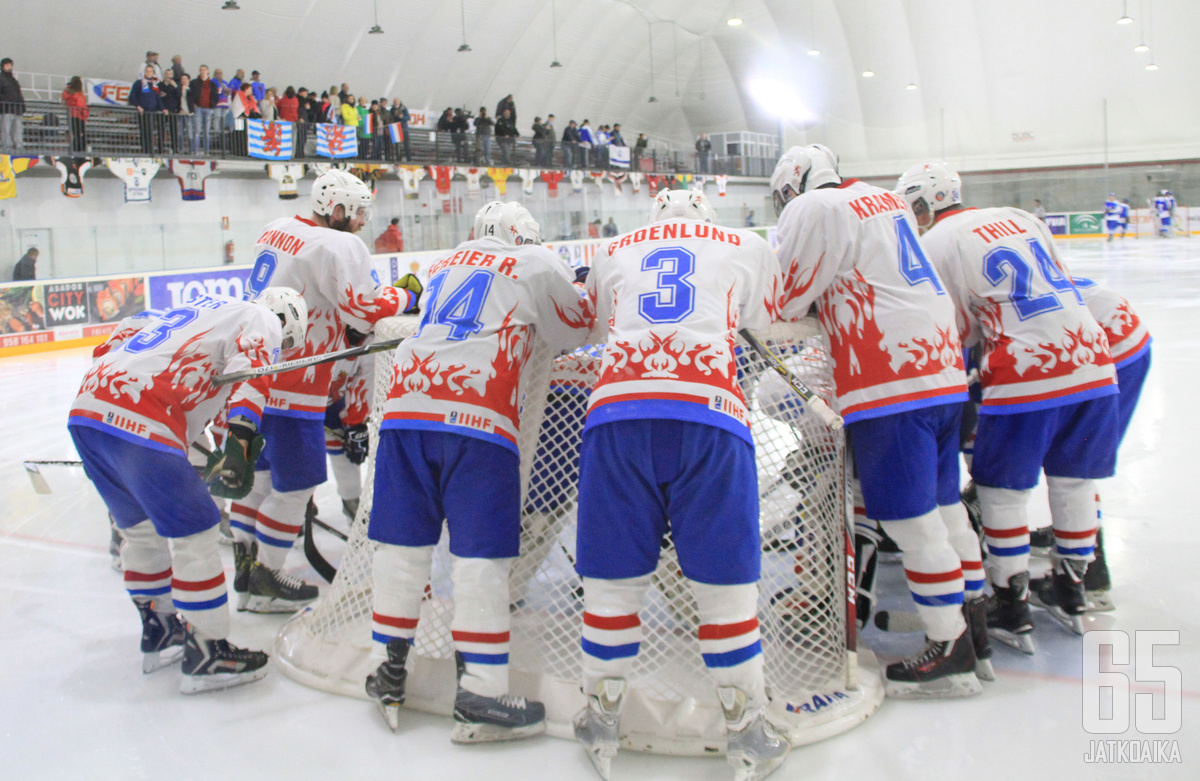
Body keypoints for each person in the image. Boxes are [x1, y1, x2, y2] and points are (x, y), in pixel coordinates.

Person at [574, 189, 790, 780]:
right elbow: (764, 321)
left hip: (616, 414)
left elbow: (590, 322)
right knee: (726, 587)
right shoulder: (746, 243)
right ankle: (746, 727)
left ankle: (601, 714)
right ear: (707, 217)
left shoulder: (614, 247)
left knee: (612, 583)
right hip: (711, 415)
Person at [364, 201, 593, 741]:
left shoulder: (446, 263)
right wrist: (580, 285)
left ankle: (387, 672)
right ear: (524, 235)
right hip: (478, 416)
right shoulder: (535, 261)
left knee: (401, 551)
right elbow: (573, 332)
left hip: (403, 409)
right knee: (480, 562)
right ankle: (481, 696)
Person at [773, 147, 980, 698]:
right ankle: (974, 617)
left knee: (911, 522)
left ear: (793, 186)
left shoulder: (816, 208)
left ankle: (950, 643)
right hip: (943, 370)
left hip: (889, 379)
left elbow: (788, 298)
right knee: (944, 505)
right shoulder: (884, 199)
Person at [896, 161, 1118, 649]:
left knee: (1000, 491)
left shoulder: (936, 242)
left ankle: (1010, 600)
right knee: (1074, 481)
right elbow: (1061, 279)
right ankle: (1072, 587)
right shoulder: (1021, 216)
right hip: (1094, 358)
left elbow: (956, 327)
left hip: (1026, 367)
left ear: (920, 202)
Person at [68, 288, 308, 693]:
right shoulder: (262, 318)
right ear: (285, 321)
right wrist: (240, 444)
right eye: (284, 345)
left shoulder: (192, 310)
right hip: (142, 412)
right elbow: (253, 376)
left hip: (87, 411)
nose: (278, 352)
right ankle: (208, 648)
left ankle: (160, 627)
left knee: (141, 531)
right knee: (196, 528)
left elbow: (113, 342)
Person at [226, 170, 422, 613]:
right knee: (297, 486)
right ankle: (265, 579)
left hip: (253, 371)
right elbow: (363, 309)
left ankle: (245, 563)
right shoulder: (338, 244)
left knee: (256, 481)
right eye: (358, 213)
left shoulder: (276, 229)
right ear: (337, 210)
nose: (361, 222)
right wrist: (405, 297)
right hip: (299, 379)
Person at [1027, 275, 1151, 612]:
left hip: (1108, 349)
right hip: (1116, 334)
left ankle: (1090, 574)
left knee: (1074, 464)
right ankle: (1073, 536)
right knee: (1074, 464)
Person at [129, 65, 167, 154]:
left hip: (152, 111)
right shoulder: (139, 83)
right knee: (144, 131)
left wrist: (163, 108)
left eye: (150, 71)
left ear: (153, 73)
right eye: (147, 71)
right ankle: (145, 150)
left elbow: (157, 98)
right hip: (143, 111)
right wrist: (138, 106)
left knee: (151, 130)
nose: (149, 73)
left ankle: (151, 150)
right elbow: (132, 96)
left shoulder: (154, 85)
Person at [189, 64, 219, 153]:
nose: (202, 72)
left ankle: (206, 150)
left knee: (207, 131)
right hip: (198, 108)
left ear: (208, 71)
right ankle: (196, 150)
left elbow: (215, 96)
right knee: (197, 130)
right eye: (201, 70)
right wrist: (194, 104)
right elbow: (191, 95)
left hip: (208, 109)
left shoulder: (212, 84)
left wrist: (212, 105)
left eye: (204, 70)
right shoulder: (194, 83)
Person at [0, 58, 26, 152]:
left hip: (16, 109)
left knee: (18, 129)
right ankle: (7, 146)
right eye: (8, 65)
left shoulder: (14, 80)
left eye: (10, 65)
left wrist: (22, 105)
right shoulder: (2, 79)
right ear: (3, 66)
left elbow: (19, 94)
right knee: (6, 129)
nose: (10, 67)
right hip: (6, 109)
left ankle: (18, 146)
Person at [61, 76, 89, 154]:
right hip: (79, 117)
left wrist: (68, 86)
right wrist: (86, 115)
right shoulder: (78, 94)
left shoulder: (69, 93)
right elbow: (81, 106)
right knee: (81, 135)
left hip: (71, 116)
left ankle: (74, 150)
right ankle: (81, 151)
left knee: (75, 135)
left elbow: (64, 97)